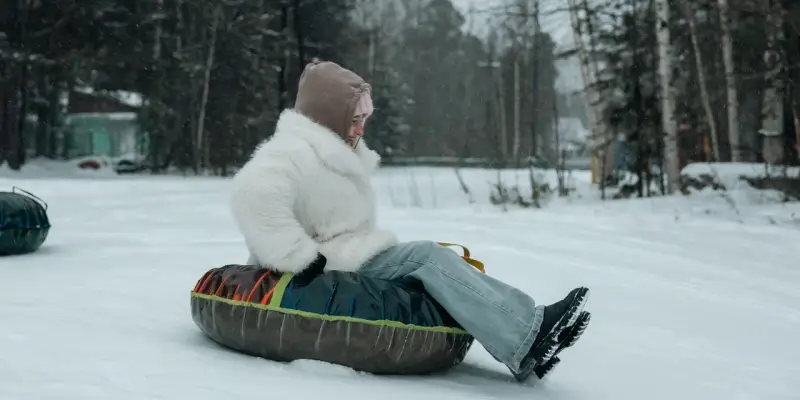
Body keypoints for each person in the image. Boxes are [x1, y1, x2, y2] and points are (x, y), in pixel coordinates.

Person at [229, 61, 591, 382]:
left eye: (363, 121)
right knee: (427, 258)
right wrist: (298, 256)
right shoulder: (290, 152)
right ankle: (531, 332)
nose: (361, 130)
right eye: (354, 121)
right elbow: (252, 196)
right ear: (327, 114)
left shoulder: (333, 149)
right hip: (325, 264)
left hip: (349, 253)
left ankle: (526, 342)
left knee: (432, 266)